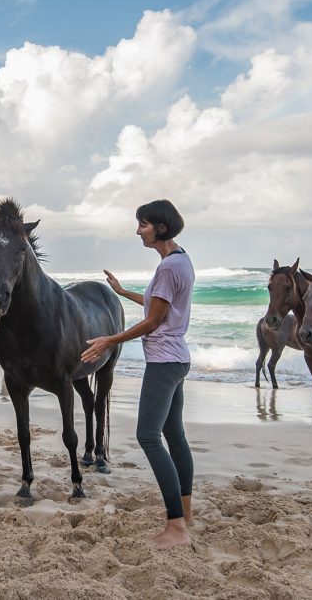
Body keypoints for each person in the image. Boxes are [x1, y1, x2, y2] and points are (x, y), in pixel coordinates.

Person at [80, 199, 195, 549]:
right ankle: (186, 514)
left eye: (143, 224)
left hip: (164, 362)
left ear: (160, 227)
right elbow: (157, 305)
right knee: (174, 435)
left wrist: (108, 340)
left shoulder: (167, 268)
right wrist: (121, 292)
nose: (138, 230)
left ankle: (176, 527)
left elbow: (152, 321)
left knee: (148, 436)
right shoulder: (181, 259)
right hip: (177, 359)